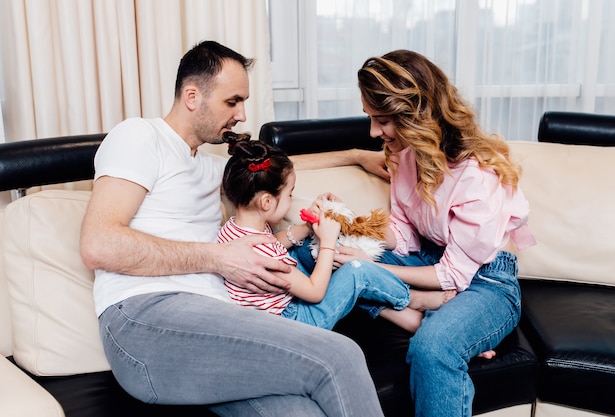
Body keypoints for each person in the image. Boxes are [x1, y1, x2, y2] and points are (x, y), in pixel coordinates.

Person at [79, 40, 388, 417]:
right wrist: (220, 257)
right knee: (339, 355)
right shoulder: (139, 136)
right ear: (192, 96)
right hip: (146, 321)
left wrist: (355, 156)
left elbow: (281, 170)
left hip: (217, 326)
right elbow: (98, 243)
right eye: (233, 101)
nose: (242, 114)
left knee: (299, 411)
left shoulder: (208, 167)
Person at [327, 50, 537, 417]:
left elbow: (453, 275)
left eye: (383, 120)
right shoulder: (405, 155)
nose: (374, 132)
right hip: (430, 260)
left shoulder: (476, 174)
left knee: (433, 348)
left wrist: (370, 270)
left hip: (486, 282)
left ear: (415, 114)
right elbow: (405, 236)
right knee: (325, 257)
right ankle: (432, 315)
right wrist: (346, 227)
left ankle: (445, 324)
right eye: (371, 118)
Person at [217, 133, 455, 332]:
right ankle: (413, 298)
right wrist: (328, 242)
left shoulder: (235, 230)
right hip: (297, 323)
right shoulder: (266, 257)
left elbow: (273, 242)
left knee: (302, 250)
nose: (291, 200)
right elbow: (314, 292)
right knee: (355, 270)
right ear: (267, 202)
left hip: (279, 313)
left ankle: (398, 307)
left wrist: (306, 228)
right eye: (289, 194)